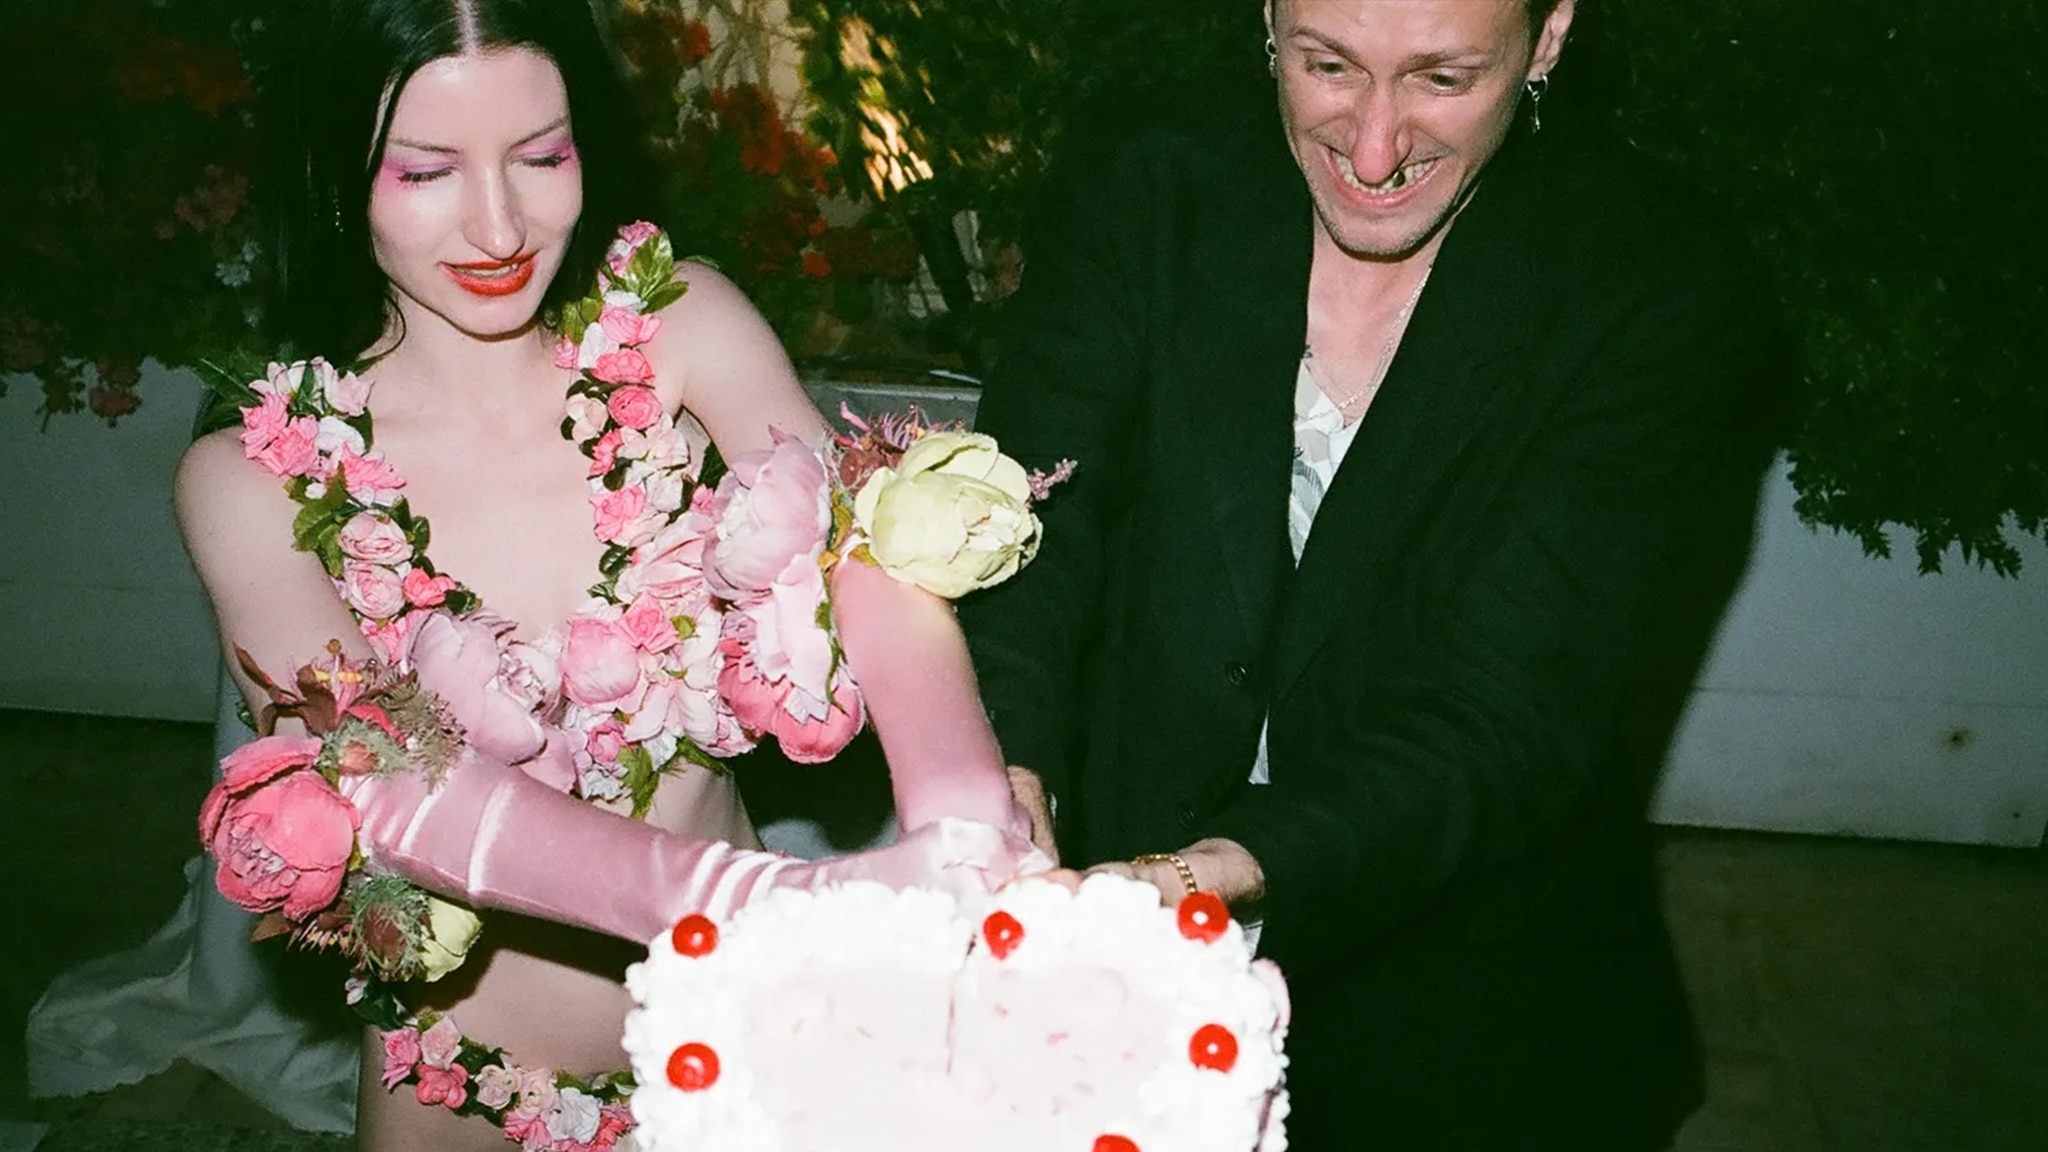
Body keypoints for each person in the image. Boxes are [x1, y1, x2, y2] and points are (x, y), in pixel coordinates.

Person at [170, 1, 1046, 1148]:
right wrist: (779, 907)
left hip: (744, 1053)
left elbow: (861, 552)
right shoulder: (249, 479)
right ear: (333, 170)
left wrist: (963, 804)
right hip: (462, 1094)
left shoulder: (683, 330)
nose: (498, 226)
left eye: (542, 157)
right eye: (425, 171)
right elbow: (387, 780)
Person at [957, 1, 1792, 1148]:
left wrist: (1196, 879)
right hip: (1107, 980)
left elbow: (1506, 709)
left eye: (1443, 78)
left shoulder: (1658, 283)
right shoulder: (1148, 175)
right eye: (1326, 66)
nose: (1370, 150)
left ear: (1546, 41)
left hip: (1463, 1000)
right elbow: (1030, 510)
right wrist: (1004, 759)